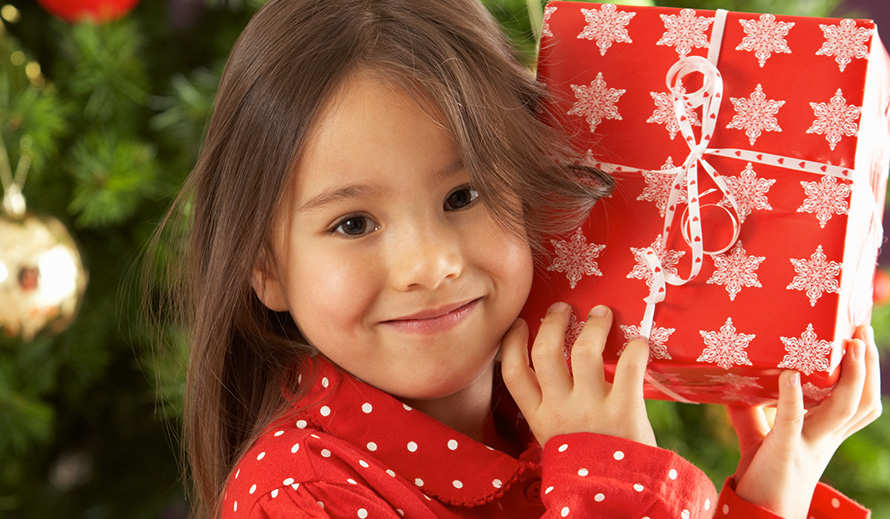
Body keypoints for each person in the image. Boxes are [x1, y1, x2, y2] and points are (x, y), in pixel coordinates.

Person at [150, 0, 882, 517]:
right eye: (353, 222)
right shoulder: (296, 494)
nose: (429, 263)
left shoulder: (553, 416)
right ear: (266, 267)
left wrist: (771, 493)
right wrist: (611, 488)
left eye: (463, 195)